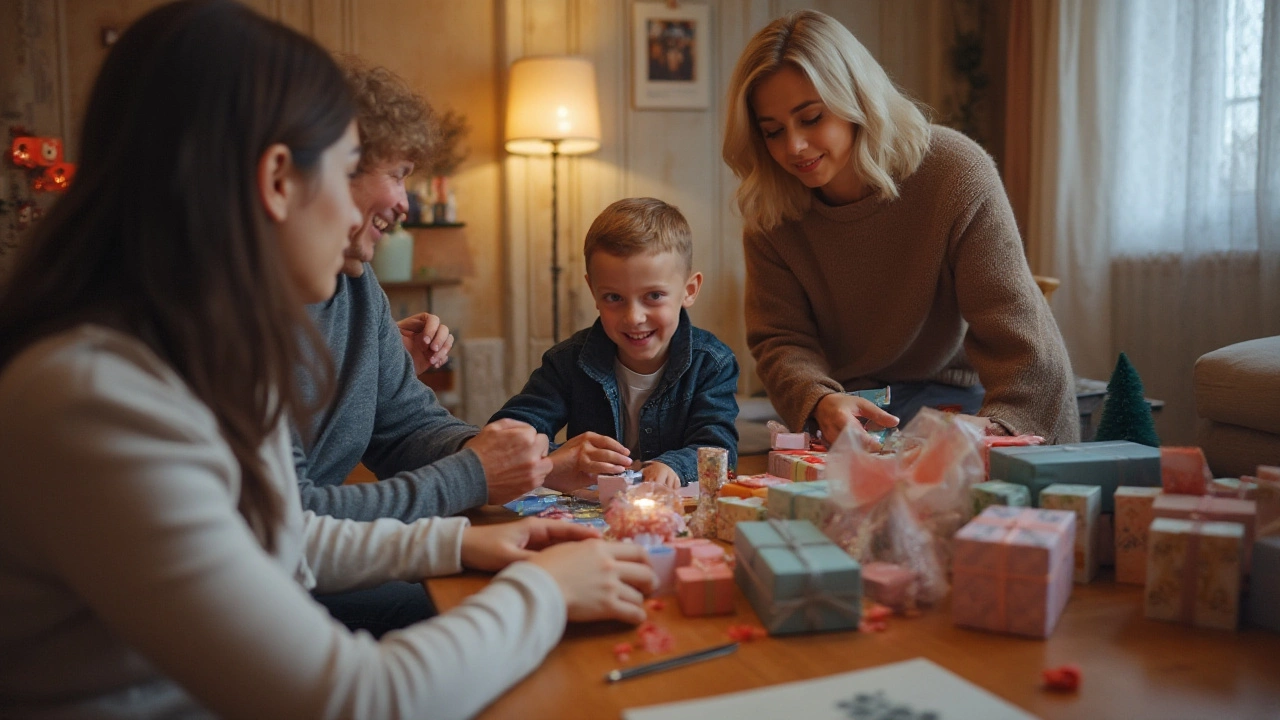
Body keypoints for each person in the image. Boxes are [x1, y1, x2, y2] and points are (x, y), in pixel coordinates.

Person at [0, 3, 654, 718]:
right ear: (278, 179)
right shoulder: (97, 397)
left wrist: (469, 545)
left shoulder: (207, 352)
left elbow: (287, 539)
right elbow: (353, 698)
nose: (357, 216)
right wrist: (546, 590)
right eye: (347, 170)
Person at [721, 10, 1079, 447]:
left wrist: (1002, 428)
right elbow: (781, 340)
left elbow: (1018, 330)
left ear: (858, 100)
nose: (794, 147)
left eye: (812, 118)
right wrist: (816, 400)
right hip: (847, 403)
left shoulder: (955, 173)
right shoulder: (771, 210)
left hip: (958, 396)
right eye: (773, 131)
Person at [294, 59, 550, 636]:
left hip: (315, 561)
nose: (407, 204)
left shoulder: (357, 286)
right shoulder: (242, 322)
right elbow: (295, 525)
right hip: (288, 581)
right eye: (399, 174)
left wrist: (515, 457)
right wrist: (475, 473)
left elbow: (406, 428)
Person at [492, 197, 739, 490]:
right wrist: (559, 456)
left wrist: (674, 465)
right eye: (614, 298)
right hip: (585, 513)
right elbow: (512, 430)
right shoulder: (567, 361)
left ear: (689, 290)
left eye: (654, 296)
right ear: (593, 292)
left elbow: (719, 450)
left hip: (673, 513)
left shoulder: (712, 362)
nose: (634, 318)